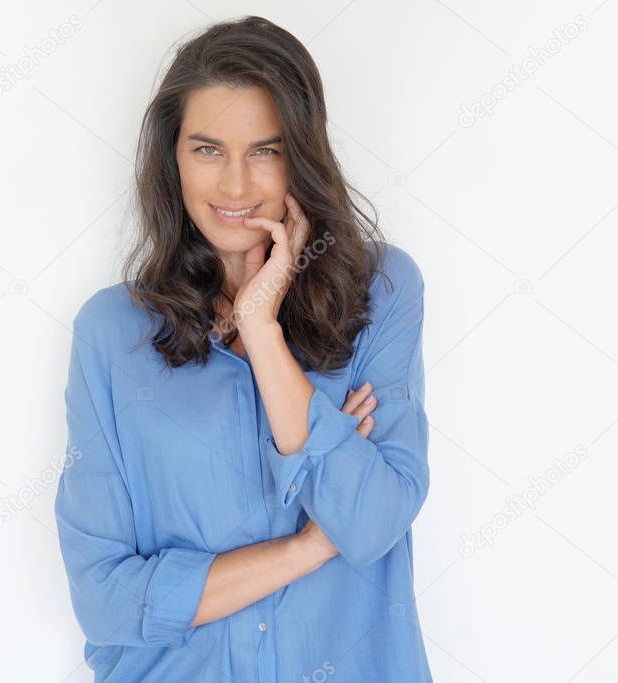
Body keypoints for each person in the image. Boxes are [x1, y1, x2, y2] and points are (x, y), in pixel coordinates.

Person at [54, 15, 433, 682]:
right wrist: (312, 546)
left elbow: (371, 525)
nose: (234, 186)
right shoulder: (111, 335)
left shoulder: (382, 292)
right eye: (207, 149)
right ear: (172, 158)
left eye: (264, 150)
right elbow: (106, 602)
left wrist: (262, 331)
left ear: (302, 154)